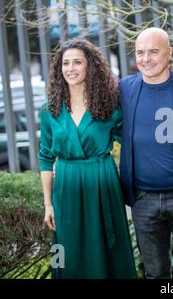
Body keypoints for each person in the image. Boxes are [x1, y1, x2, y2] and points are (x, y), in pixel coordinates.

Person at [39, 38, 136, 279]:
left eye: (77, 62)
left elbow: (133, 143)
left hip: (102, 182)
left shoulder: (109, 106)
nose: (70, 68)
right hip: (66, 186)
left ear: (89, 66)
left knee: (106, 248)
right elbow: (45, 157)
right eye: (65, 63)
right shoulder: (49, 109)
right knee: (66, 250)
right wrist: (48, 204)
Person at [118, 27, 173, 279]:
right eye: (140, 52)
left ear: (169, 53)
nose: (146, 58)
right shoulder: (125, 88)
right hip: (143, 199)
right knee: (155, 274)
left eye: (153, 52)